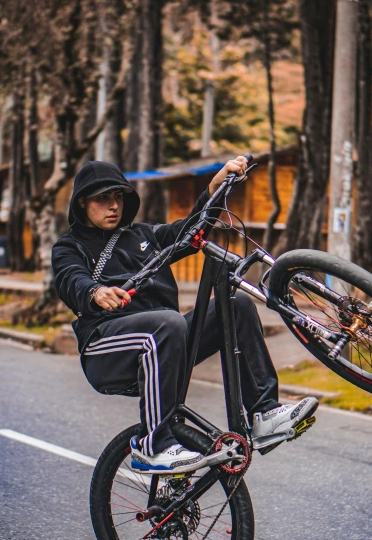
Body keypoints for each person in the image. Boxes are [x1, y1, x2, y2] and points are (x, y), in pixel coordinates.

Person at [52, 158, 318, 474]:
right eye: (102, 199)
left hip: (167, 341)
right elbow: (71, 279)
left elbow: (191, 230)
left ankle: (264, 414)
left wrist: (215, 187)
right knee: (167, 322)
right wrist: (95, 293)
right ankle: (152, 445)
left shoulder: (145, 235)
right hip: (106, 351)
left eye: (118, 197)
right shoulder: (69, 246)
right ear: (82, 203)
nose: (113, 205)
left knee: (237, 306)